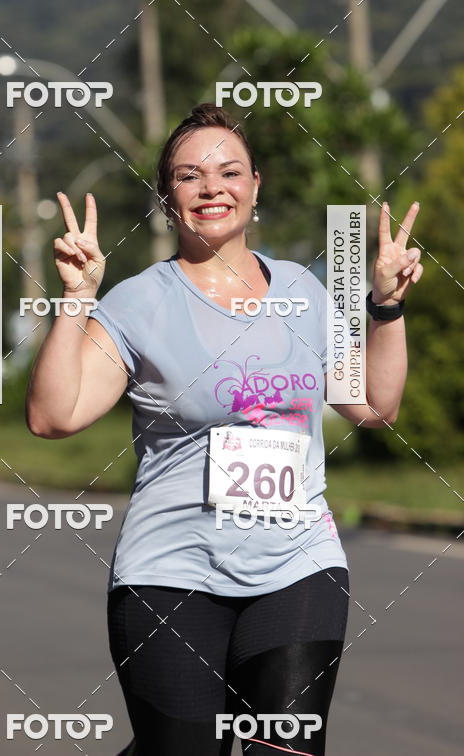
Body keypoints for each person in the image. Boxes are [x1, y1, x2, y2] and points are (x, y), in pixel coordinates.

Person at [26, 103, 423, 755]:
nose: (212, 188)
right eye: (189, 176)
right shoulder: (138, 301)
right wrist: (76, 298)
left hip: (298, 563)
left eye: (229, 172)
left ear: (255, 185)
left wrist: (387, 306)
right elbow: (53, 416)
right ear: (168, 196)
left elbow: (375, 406)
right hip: (170, 573)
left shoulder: (303, 291)